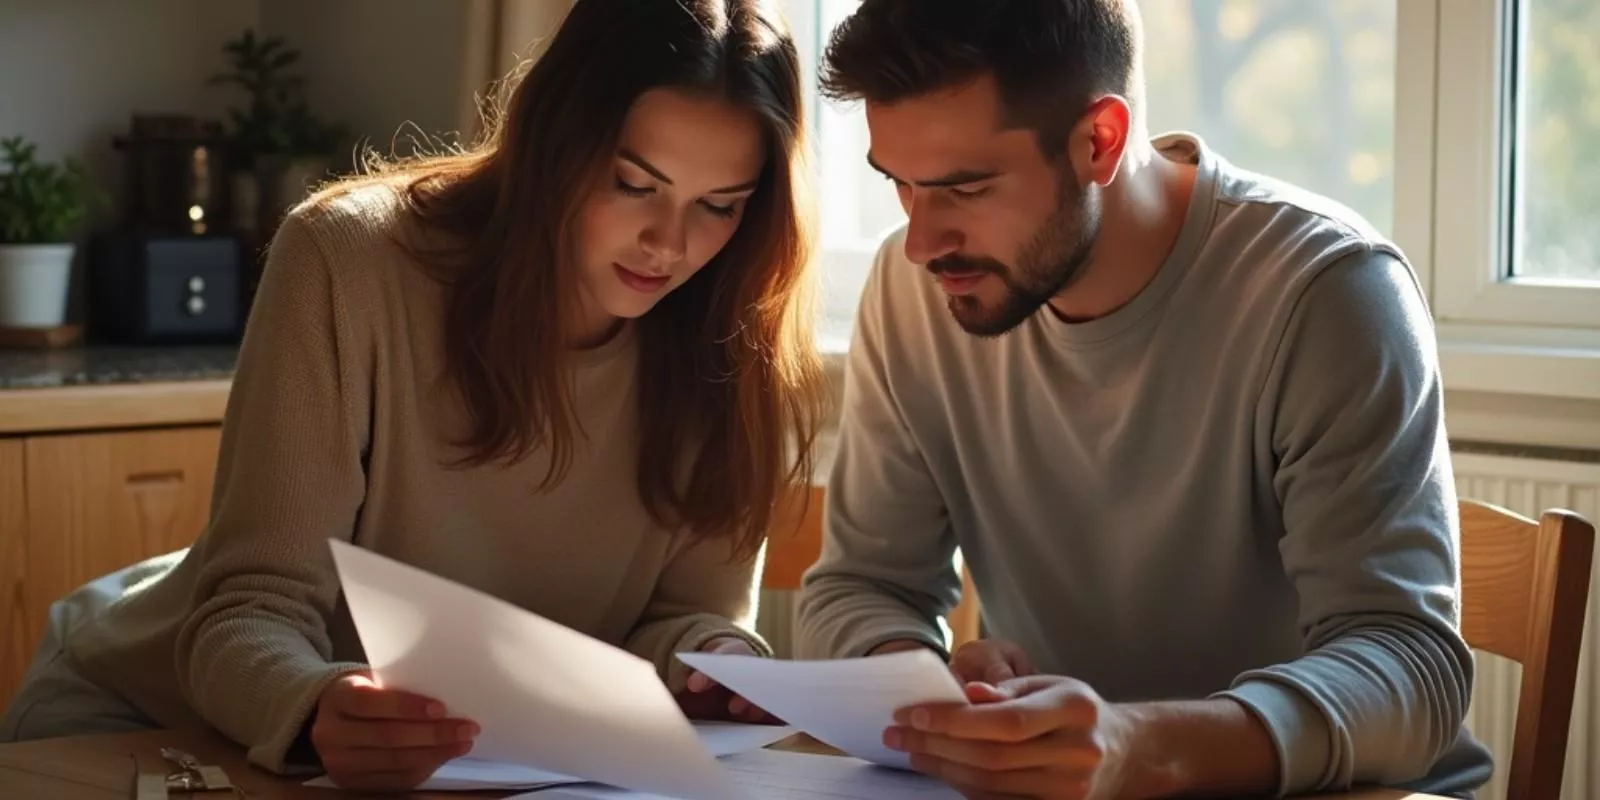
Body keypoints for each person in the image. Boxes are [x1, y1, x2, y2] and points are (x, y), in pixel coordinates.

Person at [0, 0, 824, 791]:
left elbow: (683, 618)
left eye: (718, 206)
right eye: (633, 184)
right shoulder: (349, 260)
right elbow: (250, 610)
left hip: (466, 770)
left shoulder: (726, 331)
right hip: (152, 729)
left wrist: (720, 665)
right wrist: (317, 705)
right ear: (553, 142)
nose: (671, 244)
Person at [794, 1, 1491, 798]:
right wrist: (926, 685)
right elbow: (859, 587)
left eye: (965, 187)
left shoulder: (1328, 293)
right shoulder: (915, 291)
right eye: (902, 187)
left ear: (1101, 141)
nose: (921, 240)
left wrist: (1142, 747)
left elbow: (1411, 663)